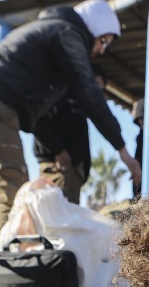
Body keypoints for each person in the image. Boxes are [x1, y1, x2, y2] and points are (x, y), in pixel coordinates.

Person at [0, 0, 141, 269]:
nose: (100, 50)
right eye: (104, 41)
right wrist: (122, 149)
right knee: (10, 200)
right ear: (94, 28)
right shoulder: (67, 33)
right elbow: (88, 92)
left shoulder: (45, 29)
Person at [33, 63, 106, 204]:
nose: (97, 94)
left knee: (68, 214)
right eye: (95, 86)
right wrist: (58, 151)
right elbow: (38, 121)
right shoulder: (59, 92)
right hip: (58, 169)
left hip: (72, 172)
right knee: (56, 215)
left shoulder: (80, 107)